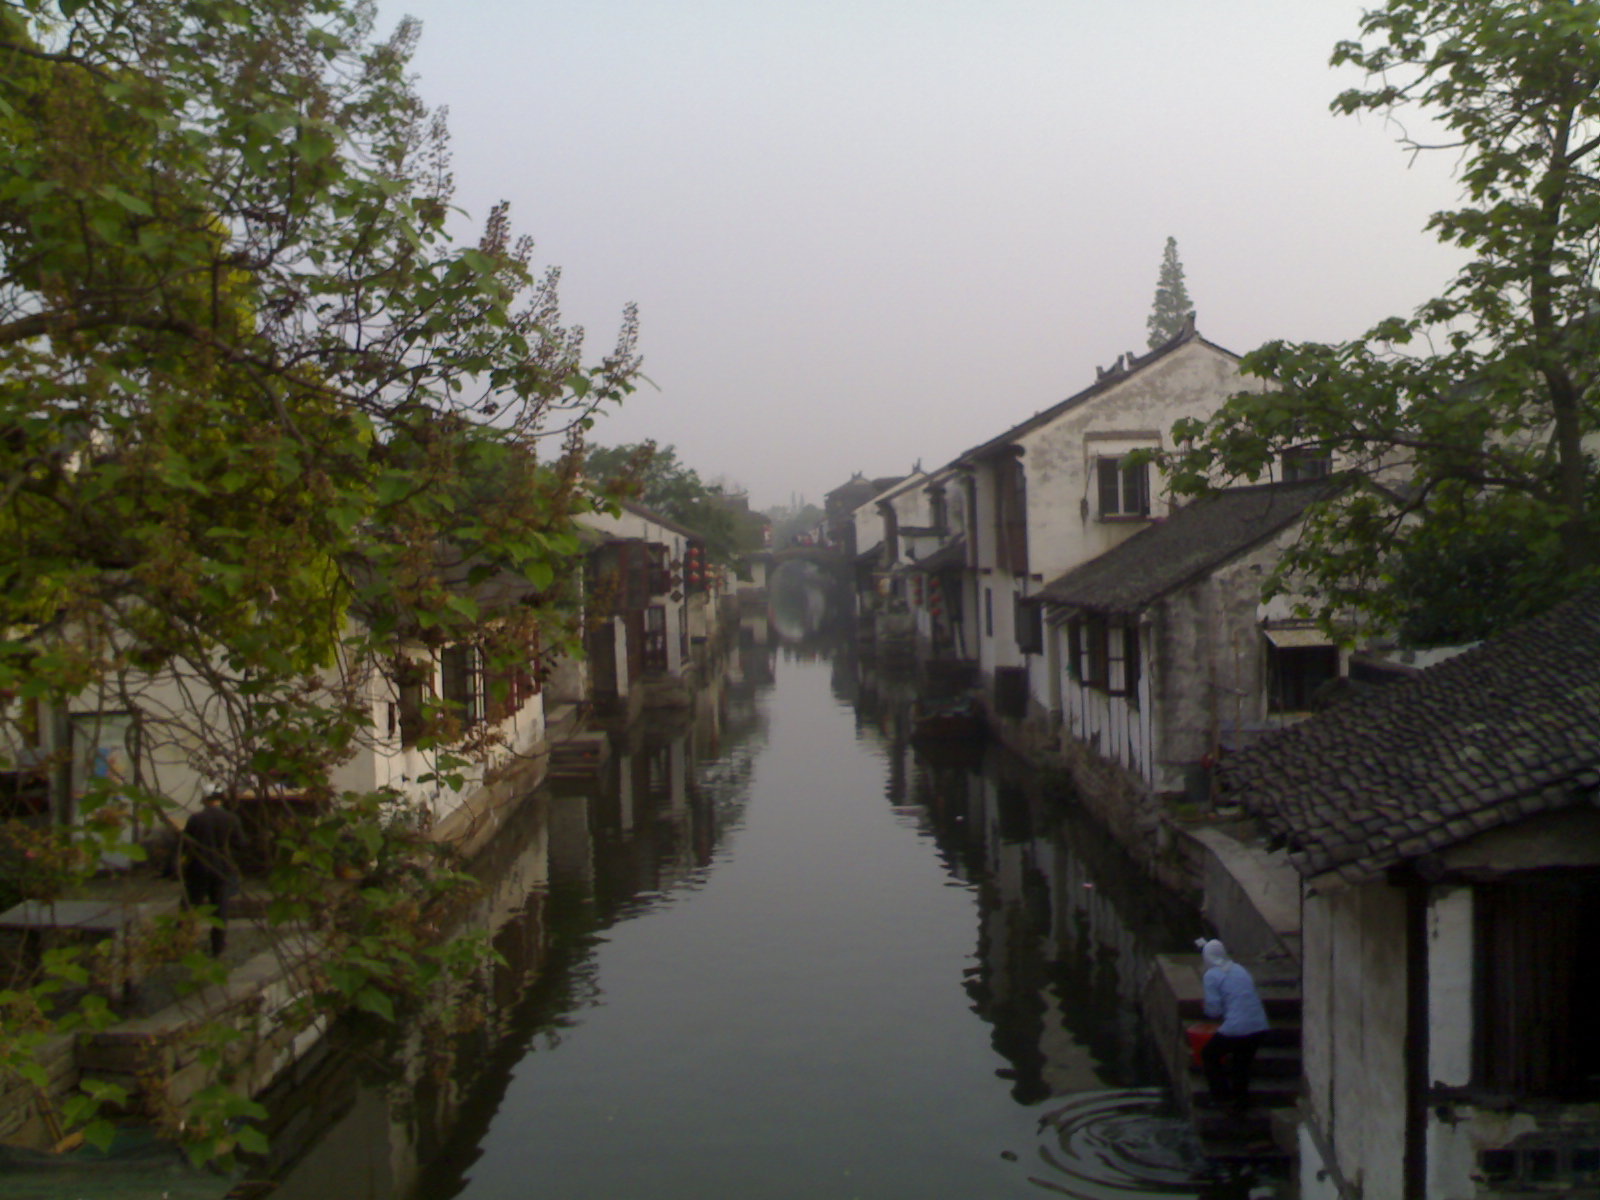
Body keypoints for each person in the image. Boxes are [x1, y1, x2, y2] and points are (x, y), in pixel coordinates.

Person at [1197, 938, 1269, 1117]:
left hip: (1237, 1027)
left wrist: (1205, 1007)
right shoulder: (1239, 969)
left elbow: (1214, 1011)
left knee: (1209, 1054)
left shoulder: (1211, 975)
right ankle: (1241, 1103)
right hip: (1259, 1025)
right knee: (1241, 1064)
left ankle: (1220, 1097)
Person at [181, 793, 244, 957]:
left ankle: (182, 942)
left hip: (197, 867)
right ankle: (218, 944)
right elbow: (240, 844)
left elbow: (185, 845)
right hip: (222, 869)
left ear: (205, 800)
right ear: (221, 800)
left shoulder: (195, 819)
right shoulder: (231, 819)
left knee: (190, 905)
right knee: (220, 908)